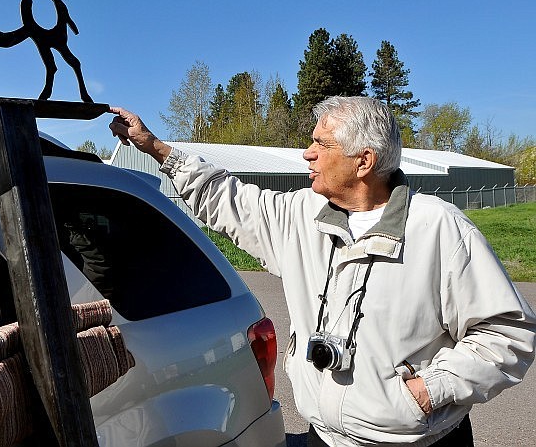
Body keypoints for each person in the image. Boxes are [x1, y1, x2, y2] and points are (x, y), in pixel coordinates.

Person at [108, 96, 536, 447]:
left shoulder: (437, 228)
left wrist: (427, 392)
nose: (307, 153)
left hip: (416, 443)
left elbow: (508, 332)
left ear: (363, 161)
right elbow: (227, 199)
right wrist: (156, 148)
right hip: (324, 439)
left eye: (321, 144)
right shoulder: (301, 214)